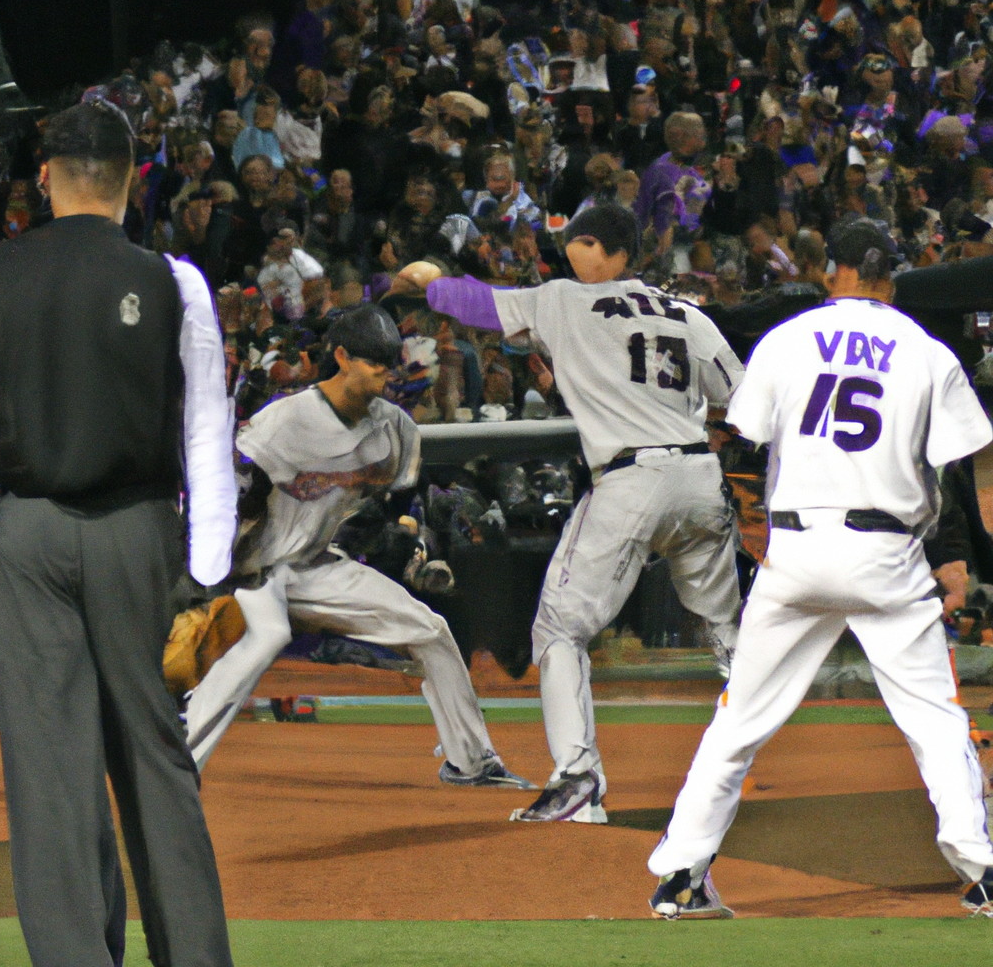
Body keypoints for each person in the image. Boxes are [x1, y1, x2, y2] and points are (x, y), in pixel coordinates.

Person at [648, 219, 993, 920]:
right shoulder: (928, 353)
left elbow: (744, 440)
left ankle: (680, 877)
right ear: (891, 276)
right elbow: (965, 464)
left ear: (830, 268)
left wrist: (759, 528)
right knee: (934, 721)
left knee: (738, 722)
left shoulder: (785, 339)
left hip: (796, 550)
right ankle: (981, 870)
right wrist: (959, 557)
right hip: (886, 553)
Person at [0, 102, 237, 964]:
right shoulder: (174, 278)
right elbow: (207, 428)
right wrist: (206, 572)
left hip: (24, 529)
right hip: (138, 533)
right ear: (133, 179)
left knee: (51, 776)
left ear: (43, 179)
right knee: (157, 762)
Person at [423, 205, 745, 821]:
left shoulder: (564, 298)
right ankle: (739, 770)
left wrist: (423, 282)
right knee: (729, 639)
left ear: (621, 253)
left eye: (589, 240)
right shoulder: (690, 315)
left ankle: (577, 777)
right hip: (700, 476)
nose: (576, 248)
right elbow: (747, 403)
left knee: (560, 630)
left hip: (631, 480)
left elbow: (475, 306)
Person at [182, 304, 534, 790]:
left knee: (430, 631)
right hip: (253, 568)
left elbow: (384, 508)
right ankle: (178, 764)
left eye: (391, 362)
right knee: (264, 637)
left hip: (318, 566)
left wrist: (407, 553)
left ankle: (471, 761)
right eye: (375, 362)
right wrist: (207, 574)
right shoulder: (286, 419)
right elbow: (236, 493)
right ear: (343, 357)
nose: (386, 373)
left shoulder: (396, 430)